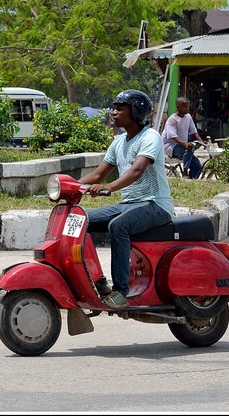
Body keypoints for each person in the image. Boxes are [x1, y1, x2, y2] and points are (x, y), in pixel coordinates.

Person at [78, 89, 174, 310]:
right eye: (114, 108)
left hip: (155, 205)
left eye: (120, 108)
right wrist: (69, 187)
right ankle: (99, 282)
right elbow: (98, 174)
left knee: (118, 226)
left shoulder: (151, 137)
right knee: (80, 221)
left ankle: (120, 292)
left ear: (136, 112)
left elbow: (137, 170)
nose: (114, 113)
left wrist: (109, 188)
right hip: (129, 205)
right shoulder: (119, 141)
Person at [162, 97, 204, 179]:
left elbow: (194, 132)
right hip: (169, 146)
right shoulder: (173, 119)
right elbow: (173, 136)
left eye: (188, 106)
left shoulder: (188, 117)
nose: (187, 109)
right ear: (178, 107)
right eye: (185, 107)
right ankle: (185, 173)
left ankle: (191, 181)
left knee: (197, 166)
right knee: (189, 148)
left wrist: (201, 142)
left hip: (182, 146)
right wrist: (186, 144)